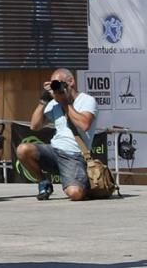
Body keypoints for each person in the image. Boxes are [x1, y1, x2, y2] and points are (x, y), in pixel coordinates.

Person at [16, 68, 97, 201]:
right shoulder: (54, 103)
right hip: (54, 150)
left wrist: (65, 103)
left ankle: (83, 182)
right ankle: (44, 182)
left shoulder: (87, 100)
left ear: (71, 82)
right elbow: (34, 126)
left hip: (74, 154)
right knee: (23, 150)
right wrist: (43, 100)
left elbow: (84, 125)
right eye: (54, 84)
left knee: (75, 194)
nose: (57, 88)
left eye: (59, 83)